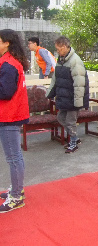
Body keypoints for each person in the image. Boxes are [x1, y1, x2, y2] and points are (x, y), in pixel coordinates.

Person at [0, 29, 29, 213]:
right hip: (11, 114)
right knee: (15, 156)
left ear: (7, 43)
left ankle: (17, 196)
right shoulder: (10, 62)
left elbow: (6, 92)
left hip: (9, 115)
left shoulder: (9, 64)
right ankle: (18, 189)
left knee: (13, 157)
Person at [46, 36, 89, 153]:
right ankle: (75, 138)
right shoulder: (61, 60)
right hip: (63, 97)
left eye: (58, 49)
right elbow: (55, 79)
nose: (57, 51)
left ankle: (74, 142)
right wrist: (49, 94)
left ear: (64, 47)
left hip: (73, 98)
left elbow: (79, 83)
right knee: (60, 117)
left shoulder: (75, 61)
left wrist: (78, 102)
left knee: (70, 121)